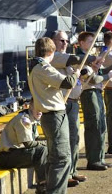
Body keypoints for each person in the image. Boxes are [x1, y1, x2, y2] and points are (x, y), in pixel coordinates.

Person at [28, 37, 79, 194]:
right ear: (51, 51)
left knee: (54, 158)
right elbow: (67, 83)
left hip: (50, 116)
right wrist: (76, 74)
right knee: (61, 159)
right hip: (55, 116)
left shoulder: (36, 67)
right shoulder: (43, 67)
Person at [51, 30, 91, 186]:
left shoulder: (66, 59)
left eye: (66, 41)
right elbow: (74, 59)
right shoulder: (55, 57)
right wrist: (92, 59)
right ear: (53, 41)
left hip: (73, 101)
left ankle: (72, 170)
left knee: (74, 139)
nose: (64, 44)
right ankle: (65, 175)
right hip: (62, 103)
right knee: (63, 141)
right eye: (61, 40)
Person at [77, 31, 112, 171]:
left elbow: (101, 72)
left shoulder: (90, 59)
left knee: (101, 126)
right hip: (88, 93)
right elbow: (94, 79)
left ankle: (100, 158)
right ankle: (93, 160)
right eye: (89, 42)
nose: (92, 45)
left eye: (93, 42)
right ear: (81, 43)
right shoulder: (80, 59)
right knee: (94, 126)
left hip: (96, 91)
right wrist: (108, 75)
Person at [0, 99, 47, 194]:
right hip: (5, 157)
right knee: (42, 151)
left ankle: (48, 182)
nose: (40, 111)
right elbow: (29, 143)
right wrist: (46, 143)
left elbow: (36, 139)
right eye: (37, 108)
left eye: (42, 108)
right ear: (30, 106)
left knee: (47, 150)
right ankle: (43, 185)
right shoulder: (23, 119)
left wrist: (50, 141)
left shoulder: (32, 119)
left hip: (15, 154)